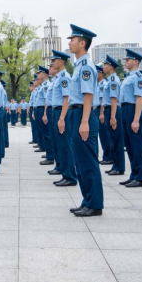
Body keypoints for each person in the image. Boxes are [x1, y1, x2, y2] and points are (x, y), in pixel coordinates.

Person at [66, 25, 103, 217]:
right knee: (80, 162)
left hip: (83, 115)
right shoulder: (79, 65)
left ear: (82, 43)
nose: (69, 42)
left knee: (88, 161)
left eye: (72, 39)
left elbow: (88, 95)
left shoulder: (87, 66)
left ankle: (95, 204)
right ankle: (87, 200)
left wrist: (85, 121)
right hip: (76, 114)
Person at [119, 49, 142, 188]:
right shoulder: (128, 76)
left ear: (135, 61)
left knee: (137, 145)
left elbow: (139, 99)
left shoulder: (138, 77)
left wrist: (136, 119)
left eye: (128, 60)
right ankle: (134, 174)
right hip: (125, 109)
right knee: (130, 145)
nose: (126, 62)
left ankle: (141, 176)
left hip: (133, 110)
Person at [51, 50, 77, 187]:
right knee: (61, 144)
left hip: (62, 112)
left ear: (61, 61)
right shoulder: (58, 78)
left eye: (54, 60)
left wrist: (62, 118)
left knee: (66, 145)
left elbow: (66, 98)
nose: (52, 62)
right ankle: (65, 174)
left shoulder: (64, 77)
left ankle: (70, 176)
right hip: (57, 112)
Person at [103, 56, 124, 176]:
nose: (103, 67)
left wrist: (113, 117)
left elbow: (114, 99)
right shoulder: (109, 80)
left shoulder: (113, 81)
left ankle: (119, 166)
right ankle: (115, 165)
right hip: (108, 110)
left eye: (105, 65)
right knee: (112, 138)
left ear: (110, 67)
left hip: (112, 110)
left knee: (116, 139)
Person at [96, 65, 112, 165]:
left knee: (105, 135)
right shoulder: (99, 84)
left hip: (102, 110)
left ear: (101, 74)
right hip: (98, 109)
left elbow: (102, 100)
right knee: (102, 135)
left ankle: (108, 156)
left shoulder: (103, 84)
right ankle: (106, 156)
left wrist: (101, 113)